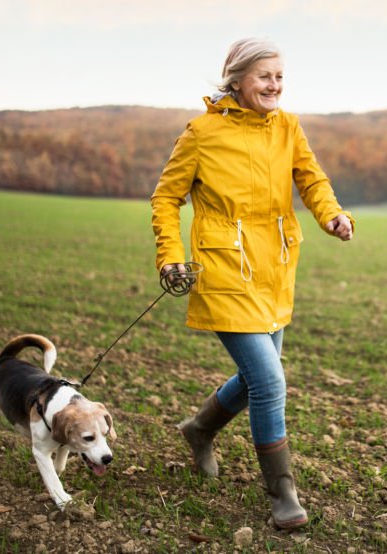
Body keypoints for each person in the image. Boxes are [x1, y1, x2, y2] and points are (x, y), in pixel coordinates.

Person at [150, 38, 354, 529]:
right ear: (237, 79)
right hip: (222, 271)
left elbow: (312, 179)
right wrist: (170, 255)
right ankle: (282, 492)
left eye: (280, 76)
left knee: (256, 377)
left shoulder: (288, 127)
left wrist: (331, 215)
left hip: (275, 268)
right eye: (265, 76)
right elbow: (165, 198)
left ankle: (199, 430)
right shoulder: (201, 133)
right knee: (268, 381)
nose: (275, 85)